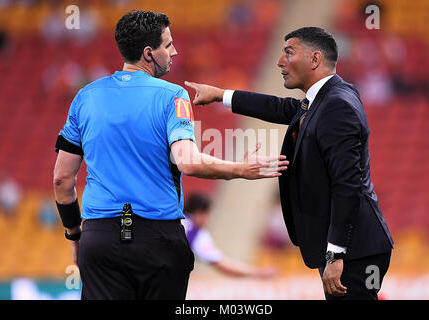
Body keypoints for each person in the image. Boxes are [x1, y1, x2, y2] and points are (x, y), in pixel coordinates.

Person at [52, 10, 288, 300]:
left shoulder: (84, 97)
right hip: (157, 240)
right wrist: (239, 169)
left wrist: (76, 237)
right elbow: (187, 162)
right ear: (149, 53)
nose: (174, 51)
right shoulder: (172, 96)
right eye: (168, 45)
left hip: (100, 239)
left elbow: (62, 179)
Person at [185, 27, 394, 300]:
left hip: (354, 251)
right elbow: (282, 108)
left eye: (289, 53)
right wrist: (222, 95)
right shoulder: (328, 97)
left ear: (315, 59)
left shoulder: (336, 105)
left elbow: (347, 185)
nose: (280, 61)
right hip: (351, 249)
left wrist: (336, 253)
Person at [183, 193, 276, 278]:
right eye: (209, 214)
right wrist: (258, 273)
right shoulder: (195, 234)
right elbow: (224, 266)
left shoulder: (174, 221)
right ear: (200, 213)